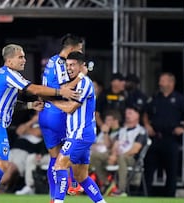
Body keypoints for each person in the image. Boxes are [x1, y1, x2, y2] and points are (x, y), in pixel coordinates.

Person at [0, 44, 80, 203]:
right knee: (1, 166)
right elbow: (33, 89)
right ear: (9, 60)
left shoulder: (1, 73)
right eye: (20, 57)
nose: (24, 60)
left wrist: (29, 105)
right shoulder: (9, 73)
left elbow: (8, 102)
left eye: (24, 56)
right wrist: (60, 91)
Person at [49, 51, 107, 203]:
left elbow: (70, 108)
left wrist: (51, 101)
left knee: (60, 165)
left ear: (82, 66)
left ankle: (58, 201)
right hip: (79, 134)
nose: (69, 68)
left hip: (80, 134)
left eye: (73, 65)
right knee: (81, 176)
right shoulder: (74, 83)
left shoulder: (85, 83)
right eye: (67, 65)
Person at [38, 33, 84, 201]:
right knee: (68, 153)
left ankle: (53, 196)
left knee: (54, 157)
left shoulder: (51, 60)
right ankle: (71, 185)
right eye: (79, 50)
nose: (80, 54)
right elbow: (65, 88)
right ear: (71, 49)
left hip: (45, 113)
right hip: (58, 113)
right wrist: (81, 76)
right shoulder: (62, 64)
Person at [143, 72, 184, 197]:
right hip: (155, 138)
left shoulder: (178, 99)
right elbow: (145, 113)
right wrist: (147, 125)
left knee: (171, 170)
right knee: (149, 167)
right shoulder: (155, 98)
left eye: (163, 81)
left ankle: (169, 196)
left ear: (171, 83)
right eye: (160, 80)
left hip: (171, 139)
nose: (160, 83)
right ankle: (146, 194)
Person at [107, 105, 148, 197]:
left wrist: (117, 157)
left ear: (137, 115)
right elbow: (115, 145)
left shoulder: (140, 131)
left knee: (122, 158)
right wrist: (113, 155)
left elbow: (135, 149)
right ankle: (104, 184)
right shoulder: (122, 130)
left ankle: (121, 190)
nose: (127, 115)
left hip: (132, 159)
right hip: (119, 156)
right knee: (97, 156)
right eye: (126, 113)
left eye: (130, 113)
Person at [89, 110, 121, 193]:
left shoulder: (119, 132)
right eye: (106, 120)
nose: (106, 122)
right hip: (100, 155)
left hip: (112, 156)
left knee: (91, 158)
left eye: (109, 120)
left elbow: (108, 146)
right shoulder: (107, 131)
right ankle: (106, 183)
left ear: (115, 121)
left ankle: (106, 183)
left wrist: (105, 133)